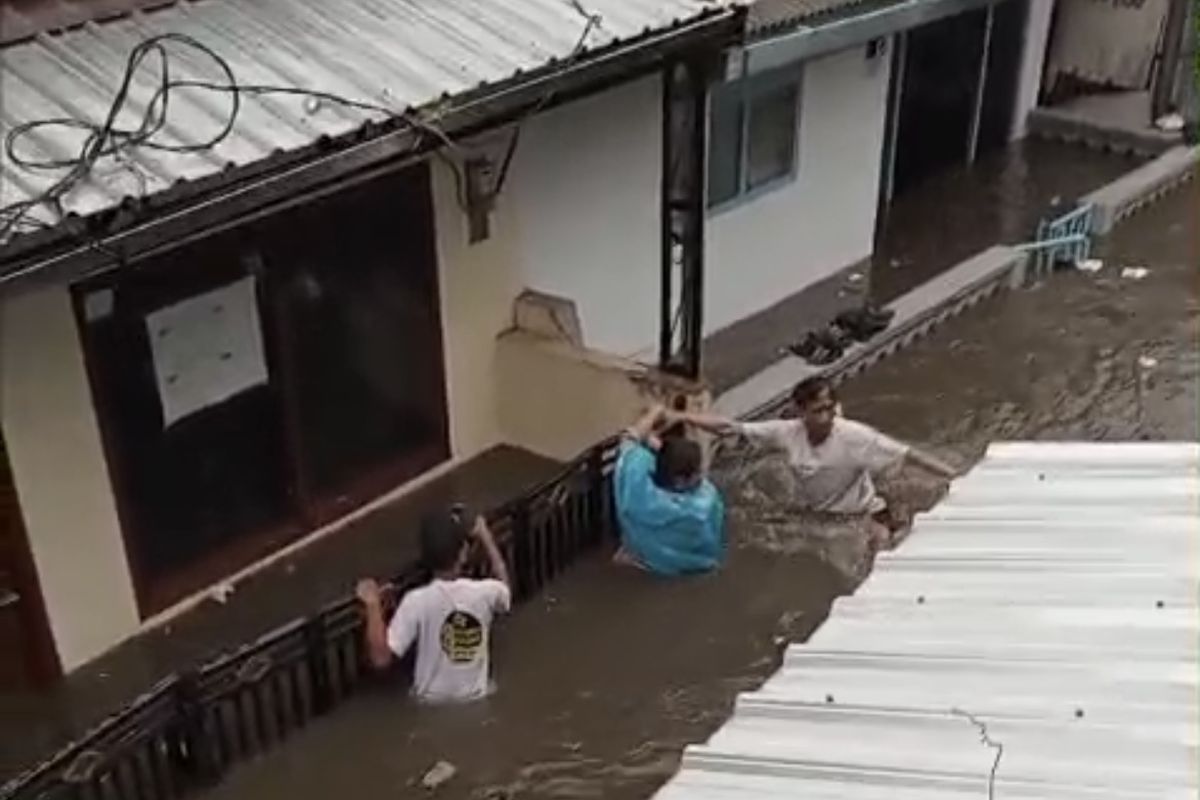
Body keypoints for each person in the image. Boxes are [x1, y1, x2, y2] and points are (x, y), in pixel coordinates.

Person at [679, 376, 957, 549]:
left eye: (828, 410)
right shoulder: (786, 432)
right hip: (815, 514)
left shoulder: (855, 436)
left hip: (861, 515)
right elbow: (731, 428)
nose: (825, 418)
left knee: (880, 549)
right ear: (800, 412)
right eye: (816, 411)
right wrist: (680, 418)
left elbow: (909, 455)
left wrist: (955, 477)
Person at [356, 509, 511, 703]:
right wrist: (485, 536)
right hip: (476, 699)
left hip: (429, 702)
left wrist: (373, 605)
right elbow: (505, 591)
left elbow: (380, 659)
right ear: (463, 553)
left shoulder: (416, 601)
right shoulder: (485, 592)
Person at [612, 403, 725, 575]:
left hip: (642, 557)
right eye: (697, 471)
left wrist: (654, 412)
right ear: (680, 480)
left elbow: (628, 439)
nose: (701, 475)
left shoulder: (637, 483)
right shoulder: (703, 502)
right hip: (692, 565)